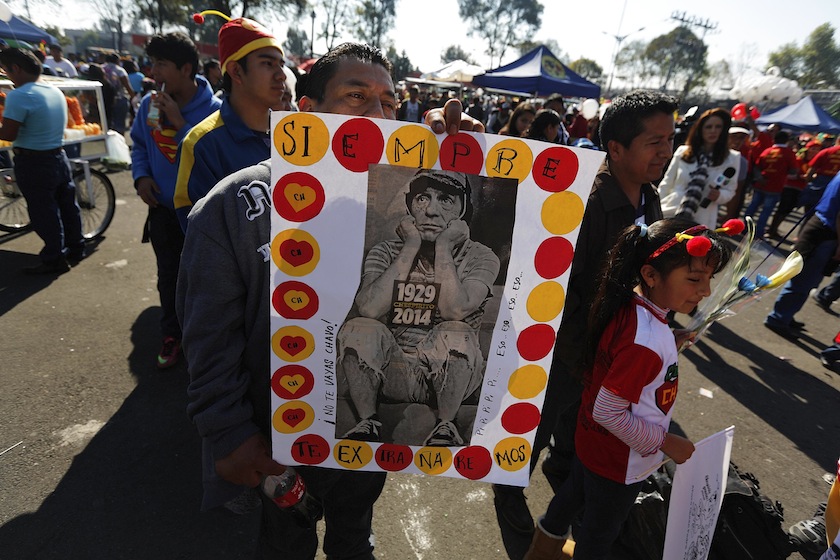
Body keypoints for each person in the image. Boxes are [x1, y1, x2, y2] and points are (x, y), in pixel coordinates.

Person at [176, 41, 481, 559]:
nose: (378, 115)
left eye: (389, 102)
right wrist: (227, 432)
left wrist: (483, 164)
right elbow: (208, 337)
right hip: (275, 434)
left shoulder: (405, 210)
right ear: (307, 111)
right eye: (356, 96)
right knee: (285, 543)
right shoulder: (237, 206)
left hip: (363, 436)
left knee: (354, 533)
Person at [492, 89, 678, 560]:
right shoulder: (586, 203)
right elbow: (560, 290)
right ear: (615, 148)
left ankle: (566, 485)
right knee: (536, 421)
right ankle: (508, 487)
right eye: (654, 142)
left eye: (670, 140)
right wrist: (584, 350)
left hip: (609, 351)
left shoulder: (651, 200)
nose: (665, 151)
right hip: (566, 349)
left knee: (583, 432)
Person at [524, 218, 733, 560]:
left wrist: (669, 342)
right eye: (694, 279)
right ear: (651, 275)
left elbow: (624, 363)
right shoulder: (647, 341)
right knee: (597, 536)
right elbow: (608, 411)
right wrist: (668, 443)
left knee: (568, 501)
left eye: (709, 279)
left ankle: (539, 552)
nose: (705, 291)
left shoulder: (631, 305)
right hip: (619, 464)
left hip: (592, 445)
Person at [336, 170, 499, 446]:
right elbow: (370, 309)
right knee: (359, 326)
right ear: (410, 206)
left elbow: (455, 310)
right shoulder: (386, 251)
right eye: (423, 198)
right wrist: (410, 247)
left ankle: (445, 425)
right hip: (394, 371)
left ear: (462, 210)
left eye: (446, 200)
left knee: (455, 330)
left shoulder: (481, 256)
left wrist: (444, 246)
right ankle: (368, 421)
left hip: (452, 377)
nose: (432, 211)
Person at [130, 32, 222, 369]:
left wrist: (183, 125)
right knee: (167, 275)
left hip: (202, 216)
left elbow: (211, 158)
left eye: (161, 64)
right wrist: (141, 176)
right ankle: (172, 334)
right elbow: (139, 144)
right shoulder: (148, 105)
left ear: (186, 69)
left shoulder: (216, 112)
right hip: (163, 213)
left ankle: (206, 341)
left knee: (204, 280)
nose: (153, 71)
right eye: (152, 63)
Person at [173, 14, 288, 230]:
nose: (281, 75)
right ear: (236, 71)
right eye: (268, 64)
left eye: (281, 64)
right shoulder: (201, 145)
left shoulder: (293, 134)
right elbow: (200, 238)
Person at [0, 48, 85, 274]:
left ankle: (54, 258)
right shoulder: (54, 90)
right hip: (58, 157)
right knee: (67, 206)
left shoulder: (18, 95)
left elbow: (8, 134)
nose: (7, 76)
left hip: (34, 163)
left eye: (7, 71)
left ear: (16, 69)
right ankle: (76, 247)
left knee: (43, 212)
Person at [765, 171, 840, 339]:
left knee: (807, 281)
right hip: (824, 233)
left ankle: (785, 315)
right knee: (803, 280)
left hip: (821, 229)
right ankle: (778, 318)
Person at [658, 107, 741, 229]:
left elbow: (730, 190)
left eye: (718, 127)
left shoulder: (732, 158)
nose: (713, 131)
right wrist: (655, 209)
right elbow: (667, 182)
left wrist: (719, 195)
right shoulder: (683, 152)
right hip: (670, 211)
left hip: (702, 218)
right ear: (700, 129)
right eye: (708, 127)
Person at [745, 130, 799, 238]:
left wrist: (760, 178)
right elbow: (794, 170)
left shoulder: (767, 151)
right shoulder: (789, 153)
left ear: (774, 139)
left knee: (752, 207)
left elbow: (757, 166)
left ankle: (744, 229)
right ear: (787, 140)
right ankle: (759, 234)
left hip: (760, 185)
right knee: (766, 211)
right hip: (775, 187)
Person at [768, 139, 822, 238]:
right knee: (782, 209)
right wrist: (800, 176)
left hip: (801, 189)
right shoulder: (798, 159)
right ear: (807, 149)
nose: (815, 151)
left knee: (788, 210)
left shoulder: (814, 163)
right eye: (813, 149)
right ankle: (771, 231)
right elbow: (788, 174)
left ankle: (774, 230)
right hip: (790, 187)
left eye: (817, 149)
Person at [102, 53, 135, 134]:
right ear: (117, 61)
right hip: (119, 98)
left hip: (104, 99)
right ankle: (120, 144)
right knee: (119, 125)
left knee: (107, 124)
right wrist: (134, 98)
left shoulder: (101, 68)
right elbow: (127, 86)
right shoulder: (120, 70)